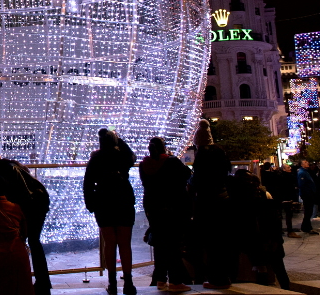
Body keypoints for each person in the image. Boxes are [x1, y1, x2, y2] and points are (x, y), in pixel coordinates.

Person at [0, 139, 52, 295]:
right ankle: (42, 283)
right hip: (38, 203)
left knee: (30, 242)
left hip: (33, 207)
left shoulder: (1, 173)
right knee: (34, 243)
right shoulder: (9, 165)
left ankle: (33, 283)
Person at [84, 129, 138, 295]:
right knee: (124, 243)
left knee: (109, 243)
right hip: (123, 201)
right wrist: (119, 140)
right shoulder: (122, 157)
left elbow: (87, 184)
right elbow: (132, 156)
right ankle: (128, 282)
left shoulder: (95, 158)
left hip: (104, 202)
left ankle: (112, 282)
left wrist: (91, 204)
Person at [138, 137, 192, 292]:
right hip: (171, 208)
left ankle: (161, 279)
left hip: (153, 209)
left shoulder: (143, 165)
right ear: (164, 148)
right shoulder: (171, 162)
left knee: (160, 245)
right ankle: (175, 281)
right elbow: (187, 175)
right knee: (173, 244)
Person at [191, 119, 233, 290]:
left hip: (207, 203)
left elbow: (197, 181)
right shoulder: (220, 154)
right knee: (221, 242)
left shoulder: (202, 157)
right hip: (223, 201)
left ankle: (215, 278)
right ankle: (223, 277)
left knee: (209, 243)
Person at [297, 160, 318, 235]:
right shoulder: (302, 173)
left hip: (309, 194)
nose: (307, 163)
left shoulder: (305, 172)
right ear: (302, 164)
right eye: (305, 162)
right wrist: (307, 194)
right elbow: (302, 185)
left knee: (309, 211)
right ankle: (307, 227)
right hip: (307, 195)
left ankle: (306, 227)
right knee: (308, 211)